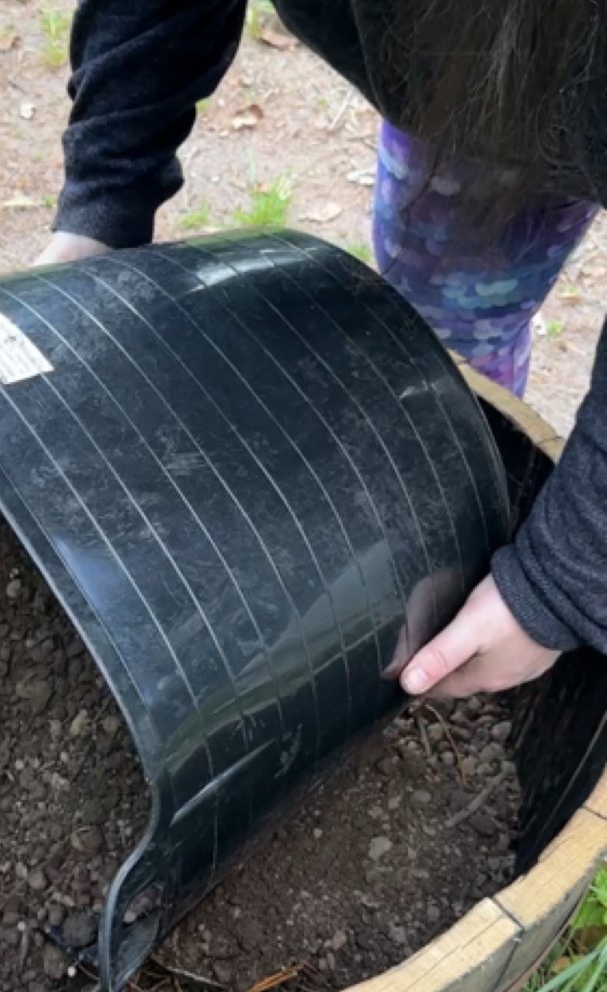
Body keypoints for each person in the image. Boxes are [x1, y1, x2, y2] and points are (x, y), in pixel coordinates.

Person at [35, 0, 607, 702]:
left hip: (562, 72)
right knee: (440, 328)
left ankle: (462, 537)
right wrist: (105, 203)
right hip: (466, 90)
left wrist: (559, 583)